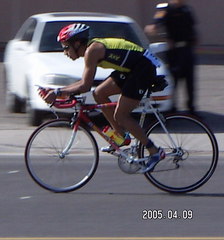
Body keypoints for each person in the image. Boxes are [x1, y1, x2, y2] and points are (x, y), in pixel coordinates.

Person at [38, 23, 165, 173]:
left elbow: (84, 86)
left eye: (66, 47)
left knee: (121, 115)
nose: (64, 52)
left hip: (143, 68)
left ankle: (154, 151)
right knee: (99, 93)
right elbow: (84, 83)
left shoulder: (93, 51)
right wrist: (57, 91)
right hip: (132, 68)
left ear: (77, 43)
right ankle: (121, 136)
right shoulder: (90, 50)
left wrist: (58, 92)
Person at [145, 0, 198, 113]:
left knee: (190, 81)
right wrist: (156, 31)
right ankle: (172, 108)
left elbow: (192, 27)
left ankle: (191, 109)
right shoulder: (166, 9)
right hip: (175, 51)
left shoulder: (186, 9)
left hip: (187, 49)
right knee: (174, 80)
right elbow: (155, 24)